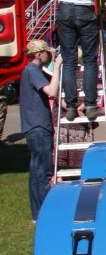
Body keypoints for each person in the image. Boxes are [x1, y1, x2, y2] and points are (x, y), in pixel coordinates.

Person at [19, 39, 62, 220]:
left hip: (35, 127)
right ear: (38, 54)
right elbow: (51, 92)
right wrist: (58, 67)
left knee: (37, 171)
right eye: (46, 52)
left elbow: (55, 94)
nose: (50, 55)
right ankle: (44, 214)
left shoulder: (33, 72)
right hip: (38, 128)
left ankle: (38, 214)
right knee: (43, 173)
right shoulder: (32, 71)